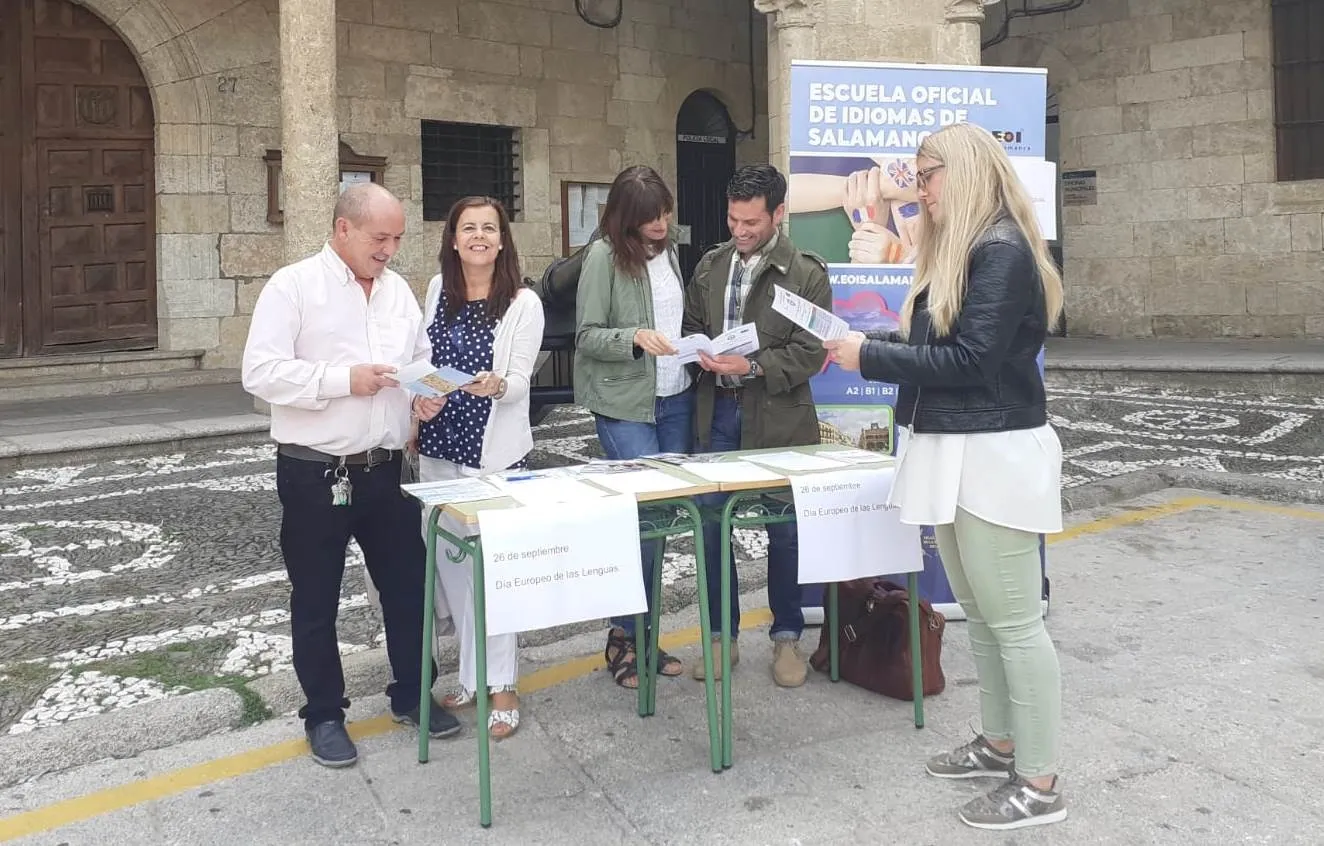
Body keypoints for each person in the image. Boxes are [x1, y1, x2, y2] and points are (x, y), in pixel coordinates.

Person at [823, 122, 1067, 831]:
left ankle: (1041, 780)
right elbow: (943, 347)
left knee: (1016, 624)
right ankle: (1000, 743)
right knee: (985, 619)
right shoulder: (966, 249)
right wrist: (871, 345)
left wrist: (868, 359)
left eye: (926, 174)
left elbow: (971, 365)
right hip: (955, 446)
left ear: (960, 172)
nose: (917, 187)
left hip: (993, 453)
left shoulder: (1001, 249)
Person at [241, 182, 460, 769]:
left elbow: (417, 363)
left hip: (386, 471)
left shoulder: (398, 295)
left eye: (396, 239)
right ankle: (324, 714)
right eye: (379, 237)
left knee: (408, 588)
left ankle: (414, 694)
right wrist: (343, 381)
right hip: (315, 473)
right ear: (343, 229)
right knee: (315, 598)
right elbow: (259, 372)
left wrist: (425, 397)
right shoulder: (293, 286)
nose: (389, 250)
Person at [682, 164, 831, 688]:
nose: (740, 231)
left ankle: (786, 639)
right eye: (733, 219)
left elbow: (811, 352)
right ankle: (721, 638)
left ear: (779, 214)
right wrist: (700, 351)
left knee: (785, 533)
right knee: (711, 528)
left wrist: (755, 366)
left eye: (751, 222)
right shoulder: (710, 264)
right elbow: (694, 326)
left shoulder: (807, 273)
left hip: (779, 420)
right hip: (717, 414)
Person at [411, 196, 544, 740]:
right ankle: (471, 673)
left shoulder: (522, 302)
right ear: (453, 238)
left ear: (503, 239)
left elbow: (520, 379)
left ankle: (503, 682)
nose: (480, 237)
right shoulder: (437, 290)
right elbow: (426, 364)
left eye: (490, 228)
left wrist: (499, 385)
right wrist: (420, 401)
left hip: (492, 455)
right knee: (452, 570)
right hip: (439, 448)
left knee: (493, 571)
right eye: (469, 228)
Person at [573, 165, 693, 689]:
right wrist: (635, 337)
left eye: (664, 214)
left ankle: (646, 634)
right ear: (626, 219)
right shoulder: (603, 257)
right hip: (626, 405)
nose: (661, 226)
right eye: (649, 219)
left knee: (663, 525)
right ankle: (624, 635)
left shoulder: (669, 253)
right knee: (637, 525)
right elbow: (587, 336)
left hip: (677, 397)